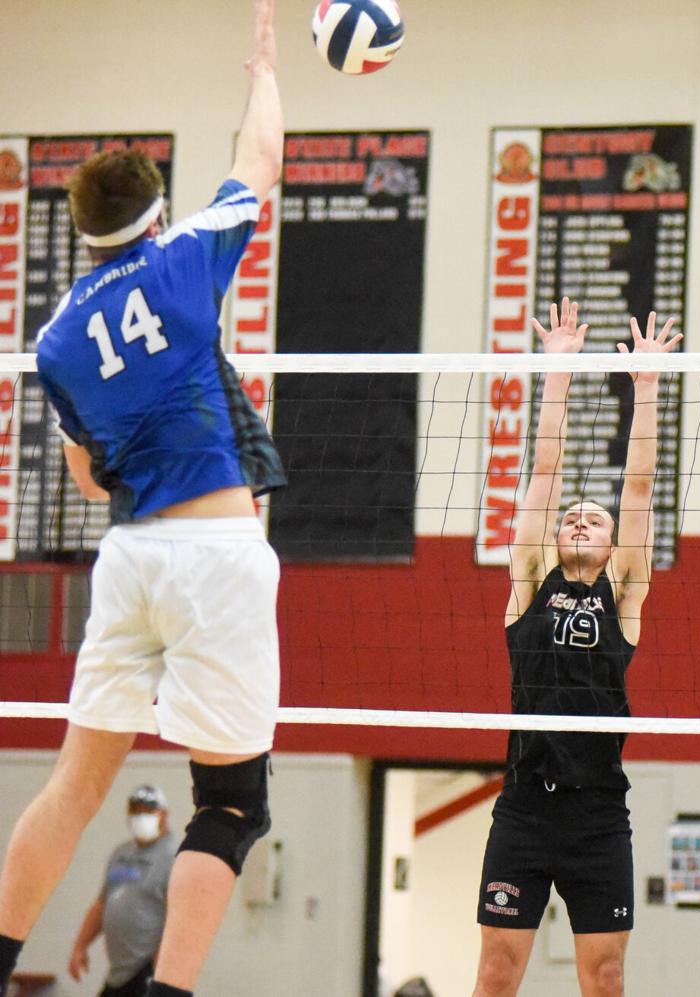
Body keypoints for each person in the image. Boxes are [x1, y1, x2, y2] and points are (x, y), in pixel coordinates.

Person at [0, 4, 284, 996]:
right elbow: (262, 159)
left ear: (79, 235)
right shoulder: (185, 260)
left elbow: (87, 478)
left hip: (129, 561)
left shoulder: (54, 344)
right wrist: (262, 72)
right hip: (216, 551)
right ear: (154, 213)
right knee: (233, 803)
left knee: (76, 787)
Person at [471, 298, 681, 997]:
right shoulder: (529, 582)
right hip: (525, 805)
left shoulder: (623, 592)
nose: (582, 518)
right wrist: (555, 372)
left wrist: (646, 388)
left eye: (595, 517)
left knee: (607, 975)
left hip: (597, 811)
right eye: (572, 517)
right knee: (498, 972)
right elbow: (545, 472)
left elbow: (641, 486)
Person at [68, 786, 177, 997]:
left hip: (148, 967)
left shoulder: (173, 857)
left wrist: (162, 967)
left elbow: (178, 917)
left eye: (147, 811)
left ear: (163, 814)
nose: (140, 817)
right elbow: (102, 903)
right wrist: (80, 946)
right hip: (118, 971)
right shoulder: (121, 854)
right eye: (136, 811)